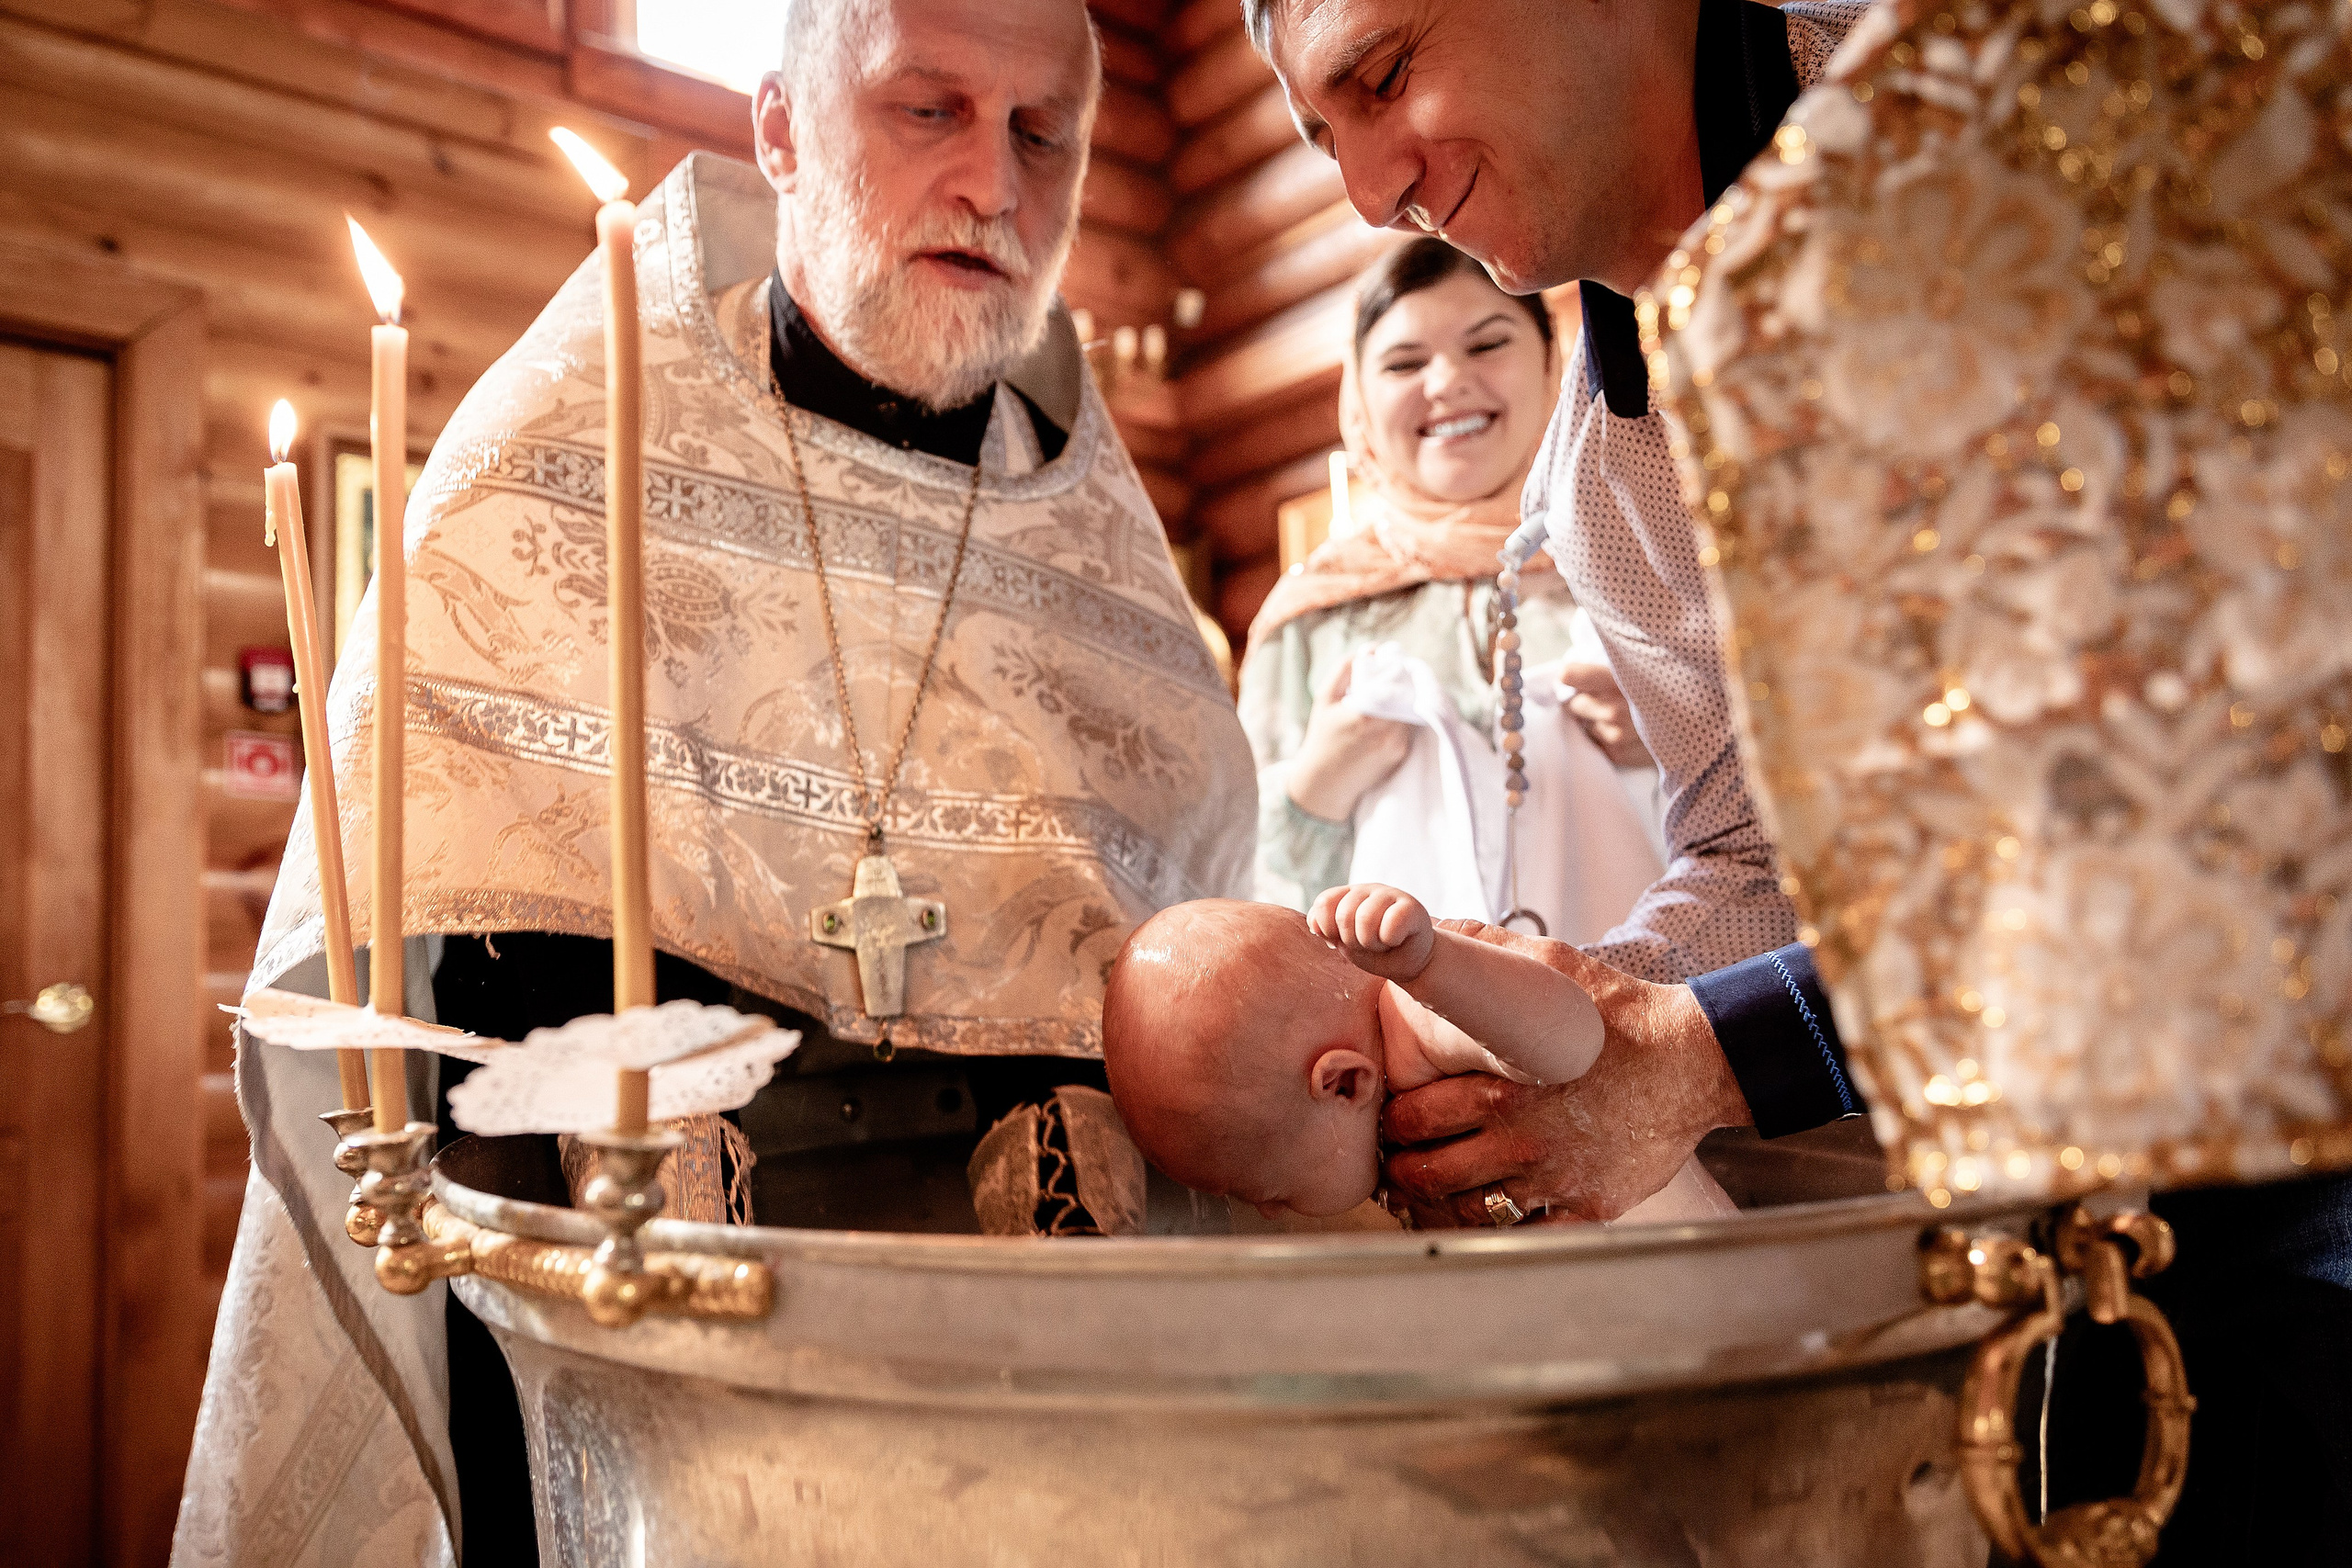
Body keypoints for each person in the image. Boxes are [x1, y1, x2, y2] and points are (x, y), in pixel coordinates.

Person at [1240, 0, 2352, 1558]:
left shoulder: (2003, 106)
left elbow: (2227, 765)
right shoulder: (1606, 478)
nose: (1370, 193)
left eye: (1385, 71)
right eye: (1319, 136)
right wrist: (1576, 1022)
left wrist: (1712, 1051)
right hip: (2014, 1254)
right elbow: (1754, 852)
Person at [174, 2, 1255, 1563]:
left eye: (1045, 134)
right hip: (621, 1331)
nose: (994, 187)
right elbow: (446, 977)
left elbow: (1180, 956)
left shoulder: (1101, 555)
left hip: (1019, 1385)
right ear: (781, 132)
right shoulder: (563, 450)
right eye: (929, 111)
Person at [1239, 237, 1663, 934]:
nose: (1446, 383)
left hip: (1639, 988)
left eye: (1487, 344)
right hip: (1390, 1003)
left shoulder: (1643, 562)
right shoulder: (1311, 617)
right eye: (1405, 363)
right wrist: (1312, 792)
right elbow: (1242, 903)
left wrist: (1671, 741)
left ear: (1551, 362)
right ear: (1360, 398)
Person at [1102, 888, 1729, 1224]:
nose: (1266, 1211)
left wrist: (1433, 966)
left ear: (1343, 1083)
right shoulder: (1375, 1135)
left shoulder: (1416, 1023)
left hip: (1685, 1278)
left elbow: (1577, 1042)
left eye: (1271, 1192)